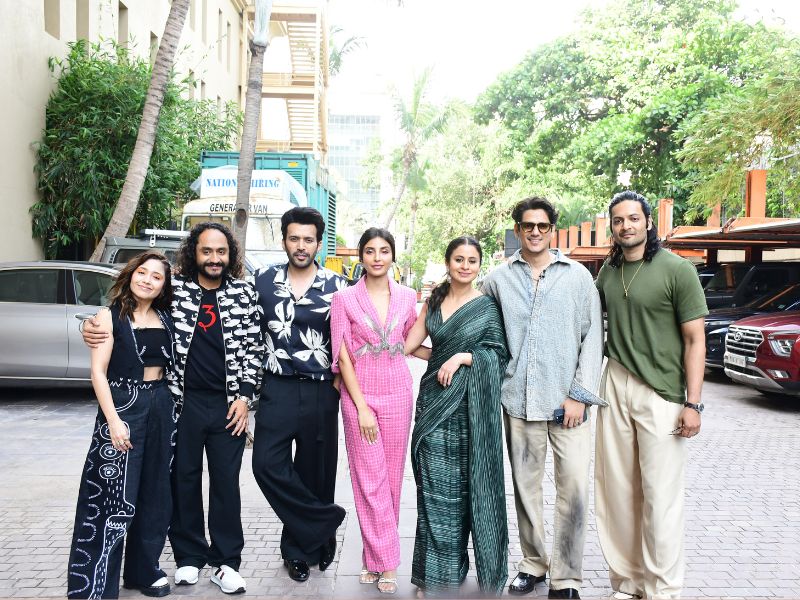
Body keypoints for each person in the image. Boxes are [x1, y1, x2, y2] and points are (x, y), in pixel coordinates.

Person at [82, 223, 262, 595]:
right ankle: (189, 557)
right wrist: (90, 325)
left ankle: (227, 563)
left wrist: (245, 398)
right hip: (180, 403)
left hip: (229, 406)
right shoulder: (175, 289)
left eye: (221, 251)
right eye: (206, 251)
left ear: (230, 254)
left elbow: (255, 348)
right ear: (194, 252)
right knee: (183, 481)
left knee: (226, 484)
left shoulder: (245, 293)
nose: (214, 258)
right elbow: (133, 310)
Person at [481, 197, 604, 600]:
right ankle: (533, 564)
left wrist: (579, 395)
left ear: (552, 229)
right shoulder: (497, 280)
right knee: (525, 490)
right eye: (528, 225)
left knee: (574, 490)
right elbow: (482, 332)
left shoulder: (578, 277)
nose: (535, 232)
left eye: (543, 225)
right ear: (517, 230)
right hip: (518, 401)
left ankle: (566, 578)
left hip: (569, 405)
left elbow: (593, 339)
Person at [594, 191, 707, 600]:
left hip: (661, 391)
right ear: (612, 227)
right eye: (618, 220)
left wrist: (692, 403)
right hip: (614, 384)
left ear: (648, 223)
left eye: (633, 218)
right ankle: (629, 584)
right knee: (618, 492)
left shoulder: (677, 269)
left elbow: (695, 341)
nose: (626, 225)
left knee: (661, 496)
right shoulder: (608, 272)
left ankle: (663, 590)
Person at [405, 236, 509, 597]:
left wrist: (462, 358)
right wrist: (438, 358)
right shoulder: (433, 302)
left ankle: (459, 570)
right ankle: (435, 577)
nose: (465, 266)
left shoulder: (487, 307)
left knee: (467, 493)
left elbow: (499, 356)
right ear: (448, 262)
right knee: (434, 492)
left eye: (472, 260)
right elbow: (408, 345)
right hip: (434, 405)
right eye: (459, 259)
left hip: (470, 410)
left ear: (479, 265)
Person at [68, 252, 176, 599]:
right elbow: (98, 372)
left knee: (155, 495)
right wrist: (113, 421)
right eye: (142, 272)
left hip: (161, 404)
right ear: (130, 275)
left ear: (163, 286)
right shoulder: (108, 316)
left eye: (156, 276)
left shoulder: (166, 315)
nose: (147, 280)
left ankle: (143, 572)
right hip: (123, 404)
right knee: (110, 497)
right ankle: (94, 586)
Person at [250, 206, 348, 584]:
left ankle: (300, 551)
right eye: (294, 239)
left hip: (322, 389)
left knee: (314, 472)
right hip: (277, 387)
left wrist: (343, 383)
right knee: (266, 464)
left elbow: (350, 339)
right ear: (284, 241)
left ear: (319, 243)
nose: (301, 246)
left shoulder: (338, 287)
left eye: (308, 239)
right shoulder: (262, 280)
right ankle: (323, 522)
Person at [329, 228, 418, 595]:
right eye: (370, 251)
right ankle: (388, 560)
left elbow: (411, 342)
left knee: (391, 480)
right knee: (368, 480)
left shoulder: (408, 296)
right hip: (358, 397)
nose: (377, 257)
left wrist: (452, 353)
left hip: (398, 394)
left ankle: (374, 558)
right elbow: (342, 356)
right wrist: (362, 407)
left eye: (384, 250)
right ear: (361, 257)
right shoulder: (343, 298)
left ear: (392, 255)